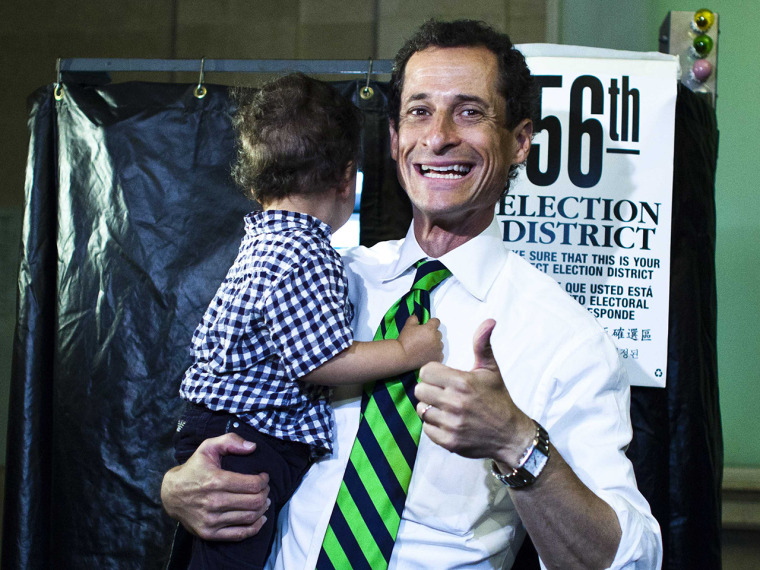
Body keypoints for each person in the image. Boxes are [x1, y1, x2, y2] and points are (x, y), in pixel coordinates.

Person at [162, 20, 663, 569]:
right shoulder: (323, 278)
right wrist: (182, 488)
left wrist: (516, 443)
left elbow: (628, 559)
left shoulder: (567, 339)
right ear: (395, 139)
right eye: (419, 112)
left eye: (469, 111)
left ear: (520, 142)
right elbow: (225, 400)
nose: (438, 136)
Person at [171, 72, 444, 569]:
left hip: (225, 428)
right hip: (248, 441)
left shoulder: (263, 237)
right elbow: (321, 361)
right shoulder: (307, 251)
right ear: (346, 179)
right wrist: (408, 351)